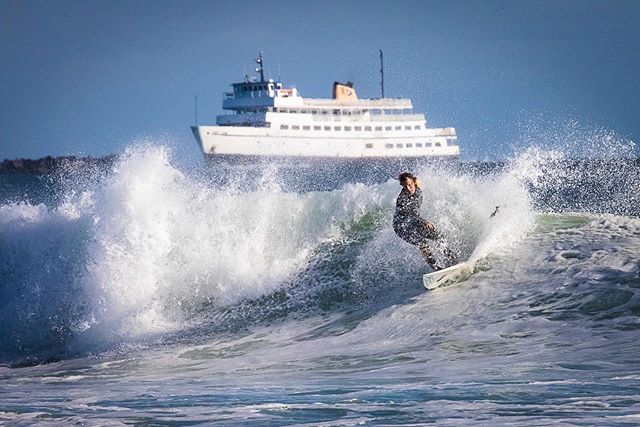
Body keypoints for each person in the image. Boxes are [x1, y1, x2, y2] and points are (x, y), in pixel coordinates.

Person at [393, 172, 455, 270]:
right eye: (405, 186)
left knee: (438, 236)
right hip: (401, 227)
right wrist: (423, 222)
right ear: (402, 186)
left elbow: (418, 182)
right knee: (422, 243)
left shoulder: (417, 189)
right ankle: (435, 267)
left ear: (414, 182)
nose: (408, 189)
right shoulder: (402, 200)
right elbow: (409, 216)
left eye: (410, 185)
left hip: (414, 222)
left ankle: (451, 259)